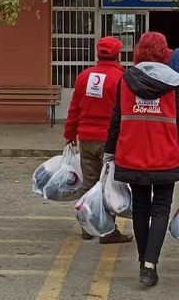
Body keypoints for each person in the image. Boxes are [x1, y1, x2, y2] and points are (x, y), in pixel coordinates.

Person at [105, 32, 179, 287]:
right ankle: (150, 265)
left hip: (133, 154)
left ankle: (143, 261)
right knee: (160, 209)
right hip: (166, 155)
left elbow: (116, 118)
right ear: (165, 52)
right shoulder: (175, 82)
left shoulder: (126, 79)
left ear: (139, 51)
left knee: (140, 208)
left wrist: (109, 152)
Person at [64, 36, 133, 244]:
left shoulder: (84, 76)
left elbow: (74, 107)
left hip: (85, 137)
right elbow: (126, 111)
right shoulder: (122, 78)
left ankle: (87, 227)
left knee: (89, 183)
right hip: (110, 140)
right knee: (108, 186)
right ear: (118, 55)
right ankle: (108, 232)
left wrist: (69, 134)